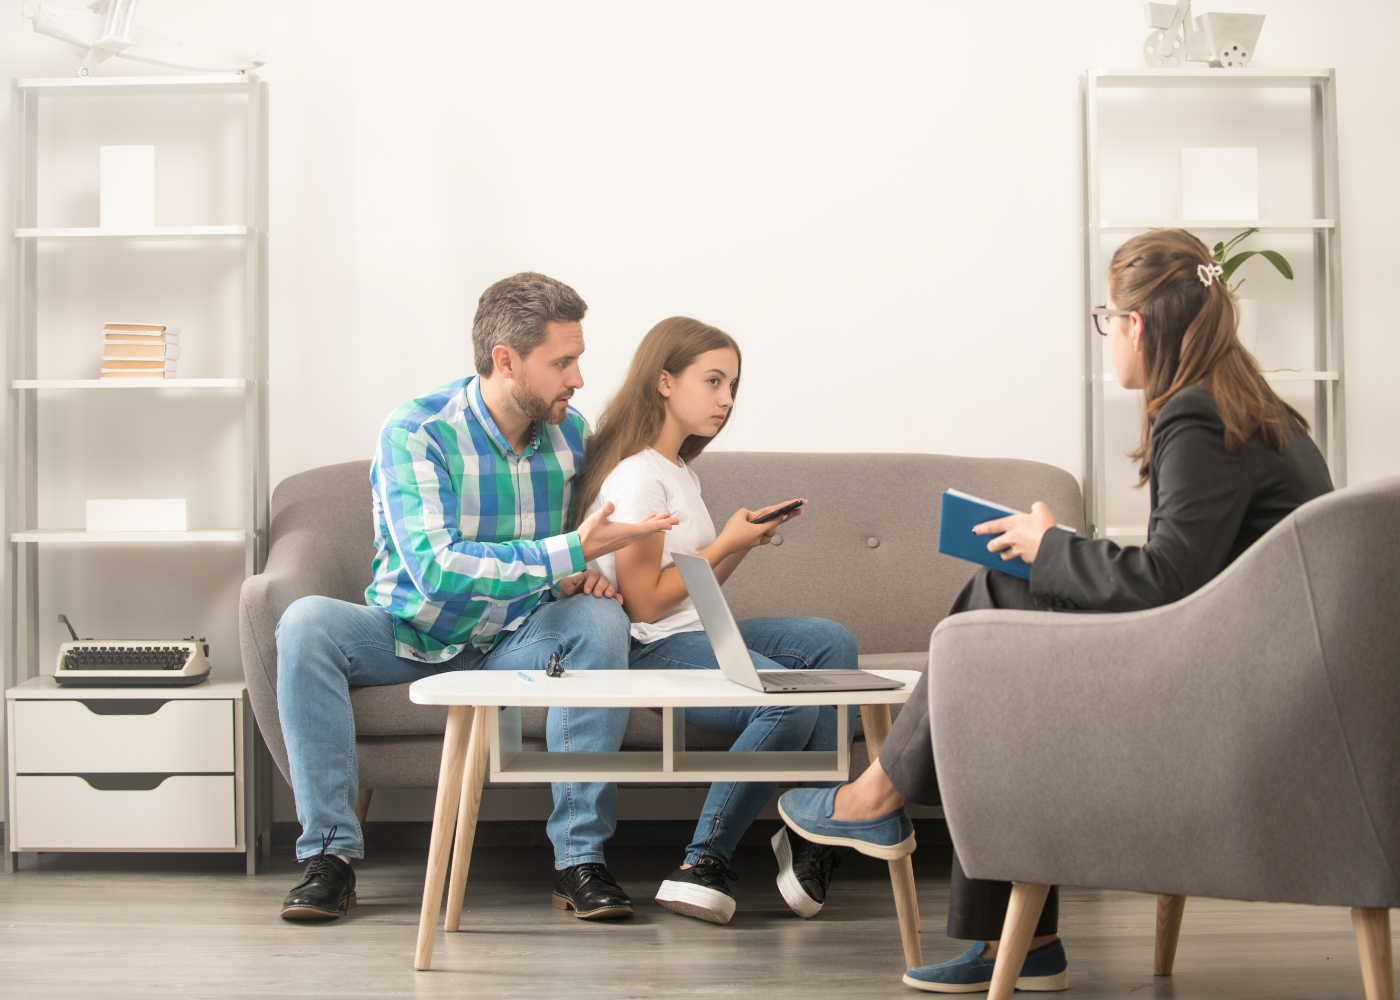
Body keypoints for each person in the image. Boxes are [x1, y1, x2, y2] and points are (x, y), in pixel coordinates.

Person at [776, 228, 1335, 993]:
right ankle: (1007, 924)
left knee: (995, 618)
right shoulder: (1246, 407)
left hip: (1232, 702)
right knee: (1002, 613)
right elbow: (1189, 574)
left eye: (1107, 319)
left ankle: (880, 799)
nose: (1108, 336)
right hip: (1261, 677)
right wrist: (1054, 548)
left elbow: (1168, 581)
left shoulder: (1197, 416)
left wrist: (1050, 551)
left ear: (1137, 325)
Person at [276, 272, 678, 923]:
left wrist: (586, 572)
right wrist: (565, 555)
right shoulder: (417, 432)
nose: (578, 378)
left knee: (601, 619)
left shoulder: (570, 434)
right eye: (562, 362)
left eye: (578, 359)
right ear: (505, 360)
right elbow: (436, 571)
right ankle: (330, 858)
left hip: (517, 639)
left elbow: (585, 539)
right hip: (408, 635)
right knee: (304, 624)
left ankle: (580, 859)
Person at [570, 316, 860, 925]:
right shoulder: (639, 477)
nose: (727, 399)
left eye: (732, 385)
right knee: (786, 704)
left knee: (831, 643)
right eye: (713, 381)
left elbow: (695, 593)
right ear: (665, 381)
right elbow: (646, 605)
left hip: (690, 630)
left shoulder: (678, 470)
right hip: (648, 646)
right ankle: (701, 861)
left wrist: (739, 545)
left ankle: (812, 831)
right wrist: (723, 541)